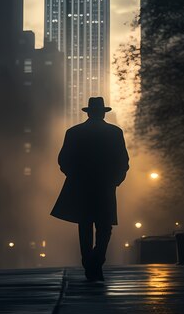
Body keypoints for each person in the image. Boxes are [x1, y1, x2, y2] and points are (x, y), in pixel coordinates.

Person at [51, 97, 129, 282]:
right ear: (103, 112)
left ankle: (89, 262)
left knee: (85, 226)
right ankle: (97, 259)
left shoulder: (74, 132)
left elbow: (63, 160)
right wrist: (116, 180)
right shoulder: (114, 132)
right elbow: (123, 161)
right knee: (105, 226)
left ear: (89, 112)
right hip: (105, 185)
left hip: (82, 186)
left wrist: (75, 176)